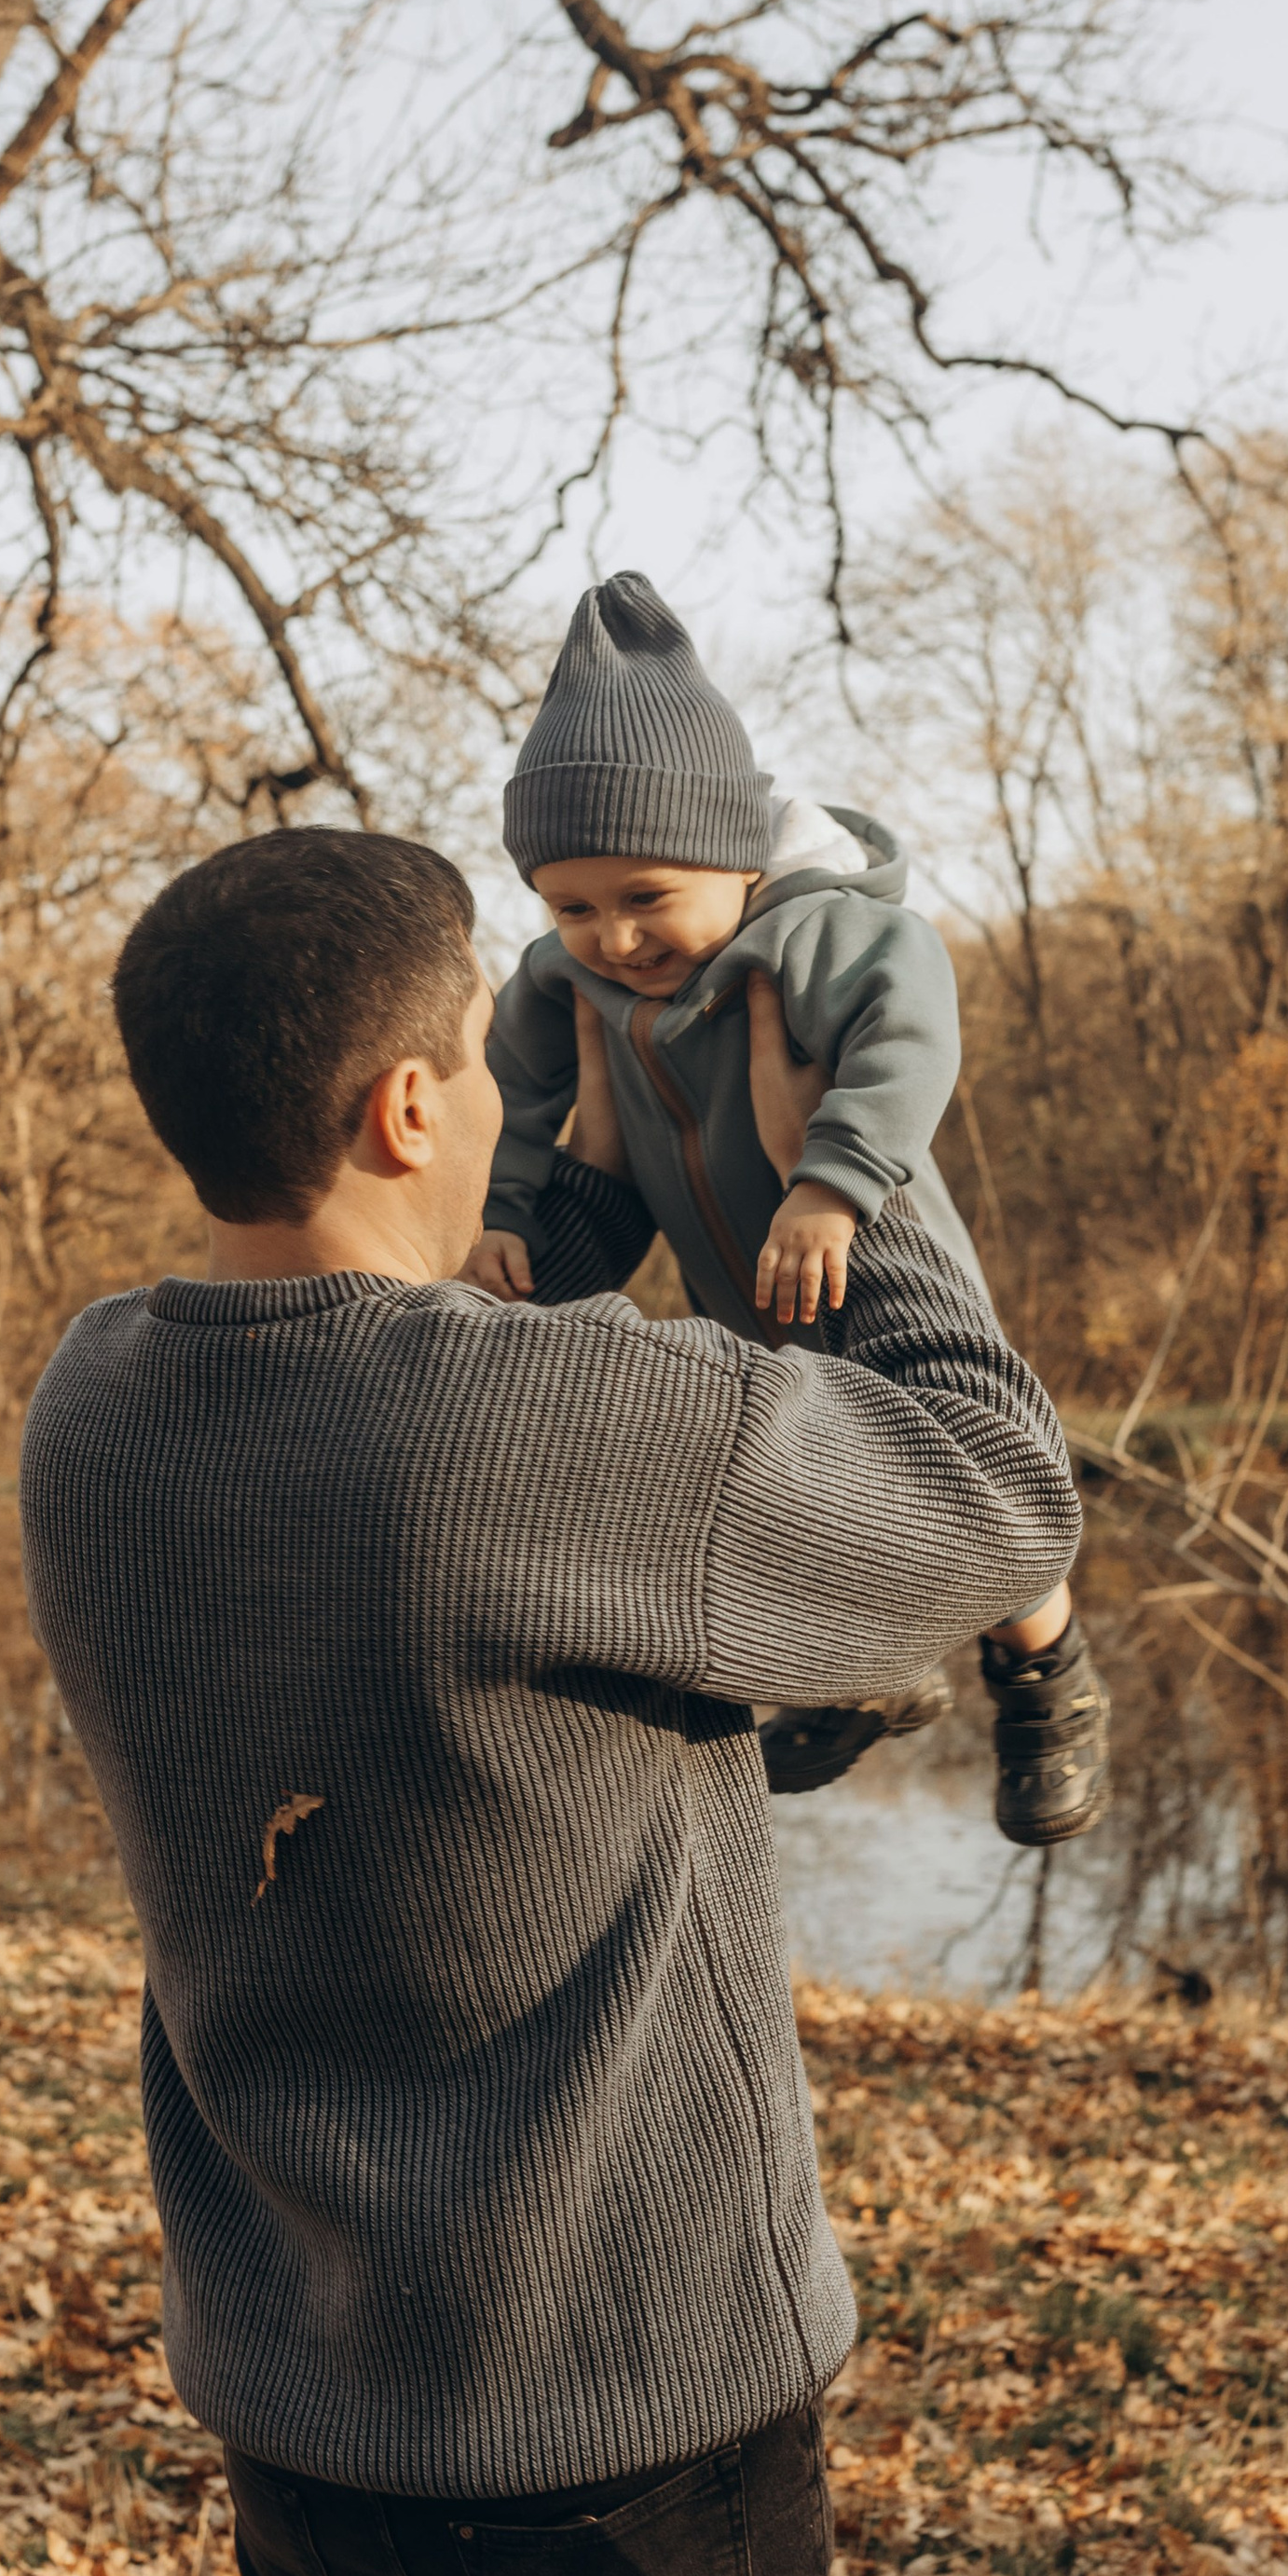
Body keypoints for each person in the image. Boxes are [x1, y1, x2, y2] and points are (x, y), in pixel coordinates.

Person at [19, 826, 1081, 2576]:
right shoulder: (556, 1429)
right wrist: (849, 1153)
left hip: (312, 2400)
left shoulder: (94, 1408)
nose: (520, 1103)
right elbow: (992, 1493)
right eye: (489, 1069)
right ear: (407, 1109)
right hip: (639, 2426)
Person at [465, 568, 1108, 1846]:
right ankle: (866, 1668)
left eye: (647, 897)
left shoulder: (817, 934)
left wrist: (831, 1181)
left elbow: (909, 1032)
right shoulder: (561, 987)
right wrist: (505, 1213)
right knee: (805, 1475)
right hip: (736, 1286)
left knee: (955, 1466)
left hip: (860, 1238)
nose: (614, 938)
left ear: (738, 857)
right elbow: (514, 1100)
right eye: (572, 906)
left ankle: (1048, 1676)